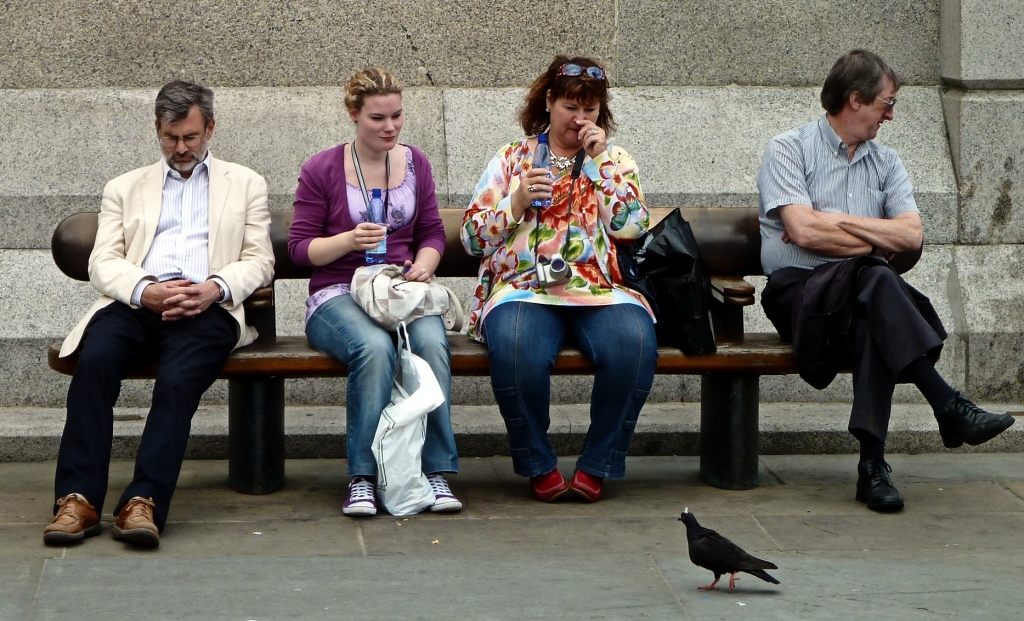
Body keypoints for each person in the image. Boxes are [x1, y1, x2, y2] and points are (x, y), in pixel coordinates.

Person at [757, 49, 1015, 513]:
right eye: (886, 103)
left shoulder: (887, 162)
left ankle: (873, 469)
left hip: (856, 302)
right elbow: (803, 231)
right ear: (855, 100)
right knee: (876, 275)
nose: (890, 116)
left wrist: (838, 221)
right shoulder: (788, 149)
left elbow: (912, 234)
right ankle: (941, 408)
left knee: (873, 303)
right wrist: (875, 240)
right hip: (801, 294)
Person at [44, 81, 275, 547]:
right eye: (170, 137)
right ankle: (77, 499)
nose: (181, 148)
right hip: (136, 303)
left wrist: (215, 288)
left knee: (178, 380)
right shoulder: (125, 187)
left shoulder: (245, 183)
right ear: (157, 128)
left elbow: (259, 259)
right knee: (94, 363)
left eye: (190, 137)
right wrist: (145, 289)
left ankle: (143, 501)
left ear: (210, 128)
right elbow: (103, 262)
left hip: (206, 308)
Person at [461, 55, 657, 503]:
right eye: (571, 106)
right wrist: (515, 200)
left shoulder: (615, 160)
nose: (580, 119)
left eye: (590, 110)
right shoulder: (513, 158)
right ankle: (537, 461)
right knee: (516, 347)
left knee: (636, 342)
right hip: (523, 287)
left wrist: (602, 162)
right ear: (549, 101)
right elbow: (472, 239)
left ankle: (598, 463)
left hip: (598, 288)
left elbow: (631, 228)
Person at [288, 67, 461, 517]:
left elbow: (432, 233)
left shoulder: (415, 162)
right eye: (377, 119)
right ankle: (363, 476)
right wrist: (348, 240)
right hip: (337, 292)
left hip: (396, 287)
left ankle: (434, 469)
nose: (390, 127)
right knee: (374, 348)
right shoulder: (322, 168)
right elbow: (301, 249)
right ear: (353, 115)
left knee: (430, 343)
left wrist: (424, 266)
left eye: (397, 117)